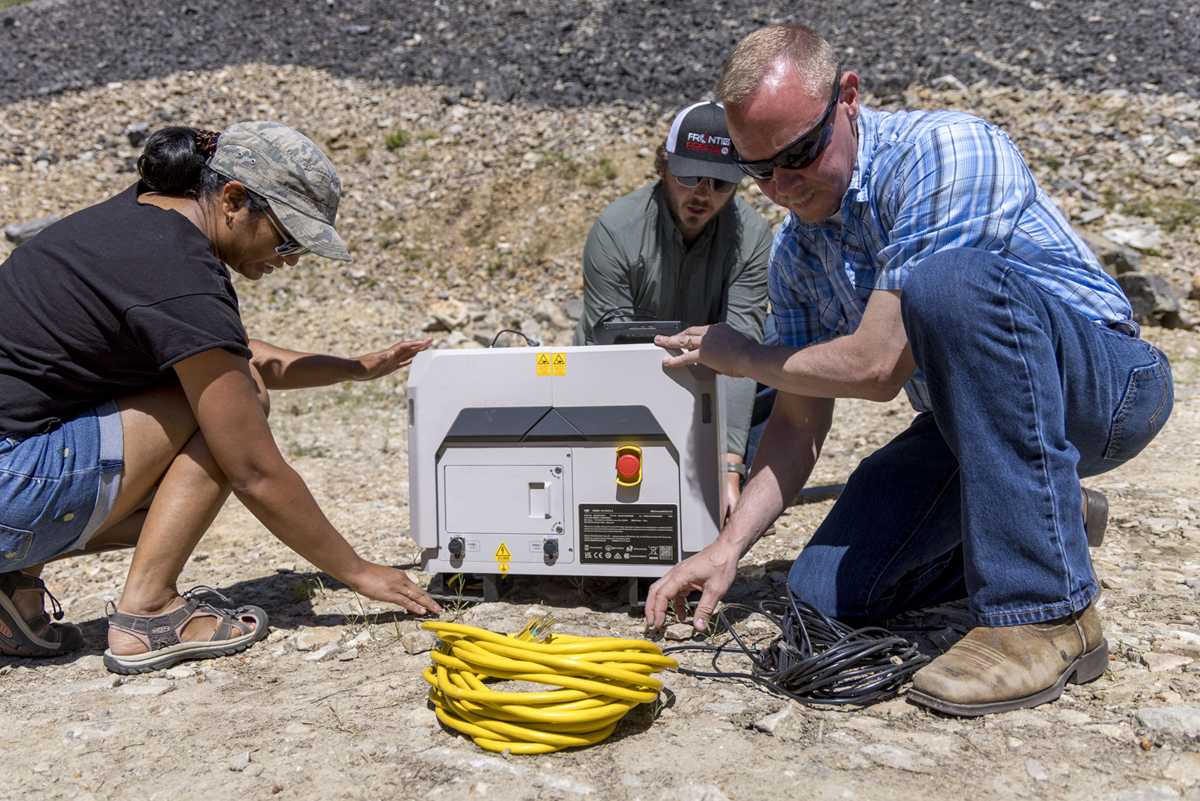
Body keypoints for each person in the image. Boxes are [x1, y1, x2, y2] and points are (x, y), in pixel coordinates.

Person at [646, 24, 1174, 716]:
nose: (782, 186)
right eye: (759, 171)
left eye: (799, 154)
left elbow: (876, 367)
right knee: (824, 590)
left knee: (947, 282)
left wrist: (740, 353)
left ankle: (1047, 611)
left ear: (850, 99)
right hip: (971, 423)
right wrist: (729, 546)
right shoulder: (796, 255)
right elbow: (800, 422)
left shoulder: (946, 151)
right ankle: (1042, 513)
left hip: (1108, 387)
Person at [0, 122, 442, 673]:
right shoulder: (178, 270)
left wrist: (353, 368)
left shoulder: (138, 223)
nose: (293, 259)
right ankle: (149, 611)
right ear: (233, 199)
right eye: (288, 238)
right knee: (237, 410)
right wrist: (357, 571)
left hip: (12, 478)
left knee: (219, 396)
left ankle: (10, 583)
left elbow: (222, 351)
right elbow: (252, 468)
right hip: (10, 487)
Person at [572, 101, 773, 514]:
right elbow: (610, 351)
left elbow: (743, 346)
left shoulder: (752, 237)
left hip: (711, 368)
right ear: (663, 167)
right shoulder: (616, 231)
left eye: (720, 182)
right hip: (623, 368)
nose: (703, 193)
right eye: (688, 175)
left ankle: (746, 490)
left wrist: (727, 468)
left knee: (779, 351)